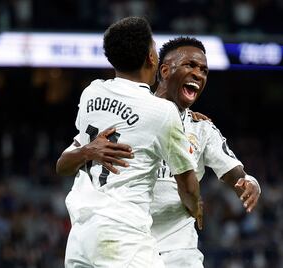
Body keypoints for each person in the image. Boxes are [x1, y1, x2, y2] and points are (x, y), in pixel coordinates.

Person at [57, 37, 261, 267]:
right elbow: (63, 164)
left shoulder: (202, 128)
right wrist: (87, 151)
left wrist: (247, 180)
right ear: (164, 70)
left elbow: (233, 170)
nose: (198, 74)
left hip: (178, 250)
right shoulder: (128, 115)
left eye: (204, 70)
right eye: (190, 65)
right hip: (128, 238)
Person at [61, 18, 202, 268]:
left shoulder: (91, 93)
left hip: (81, 237)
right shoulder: (161, 112)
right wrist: (194, 207)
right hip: (123, 239)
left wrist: (86, 151)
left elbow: (62, 165)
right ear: (151, 58)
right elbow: (187, 184)